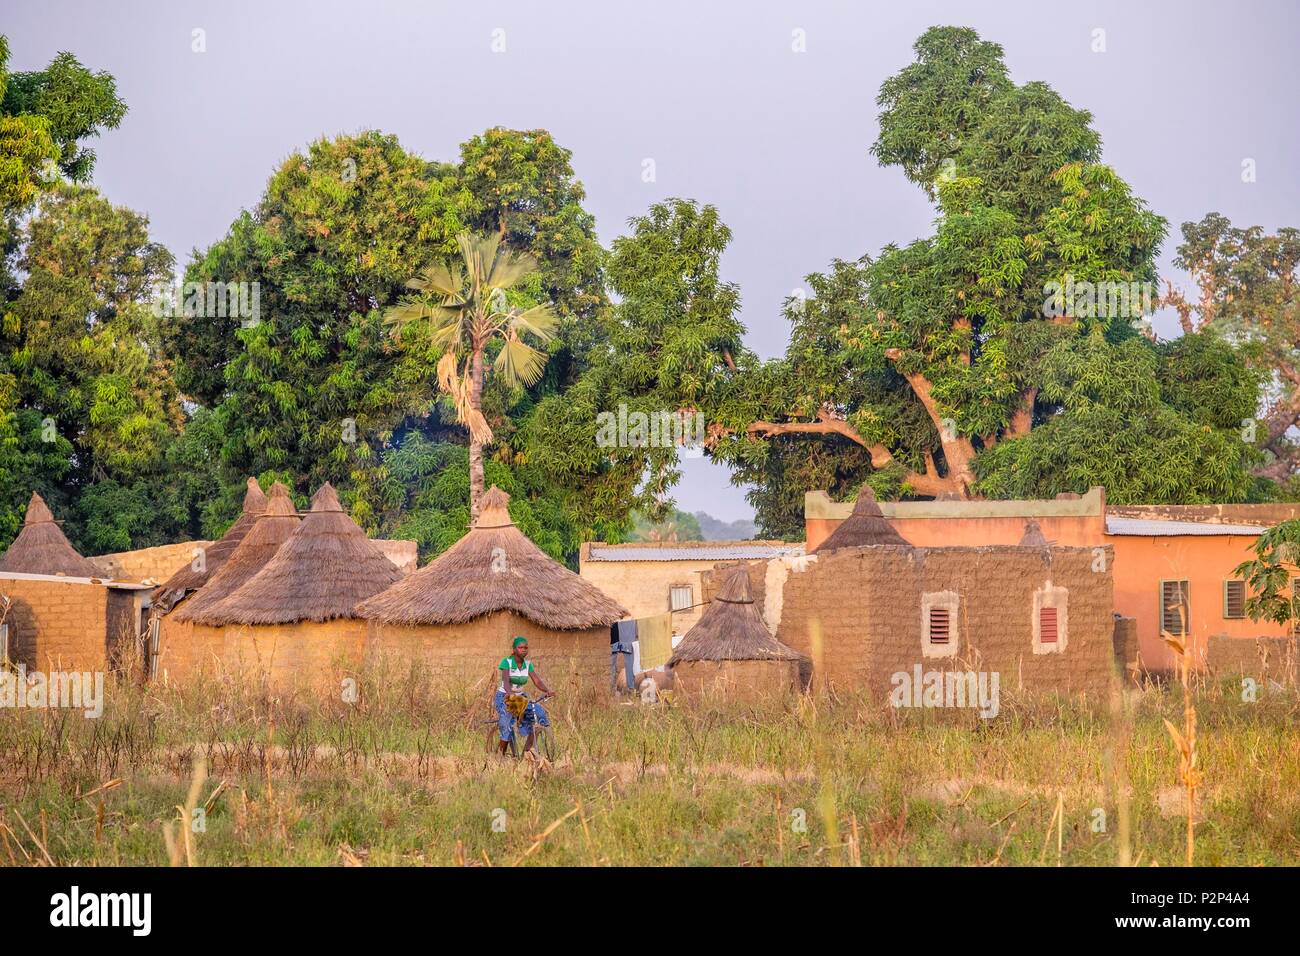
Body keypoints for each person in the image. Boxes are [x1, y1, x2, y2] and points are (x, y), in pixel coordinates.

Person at [495, 636, 554, 755]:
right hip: (505, 697)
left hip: (521, 698)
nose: (524, 650)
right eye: (520, 647)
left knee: (539, 716)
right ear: (514, 649)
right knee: (507, 726)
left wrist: (547, 690)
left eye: (526, 647)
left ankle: (526, 753)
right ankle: (499, 757)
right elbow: (506, 681)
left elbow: (537, 681)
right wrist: (510, 694)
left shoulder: (527, 665)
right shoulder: (507, 662)